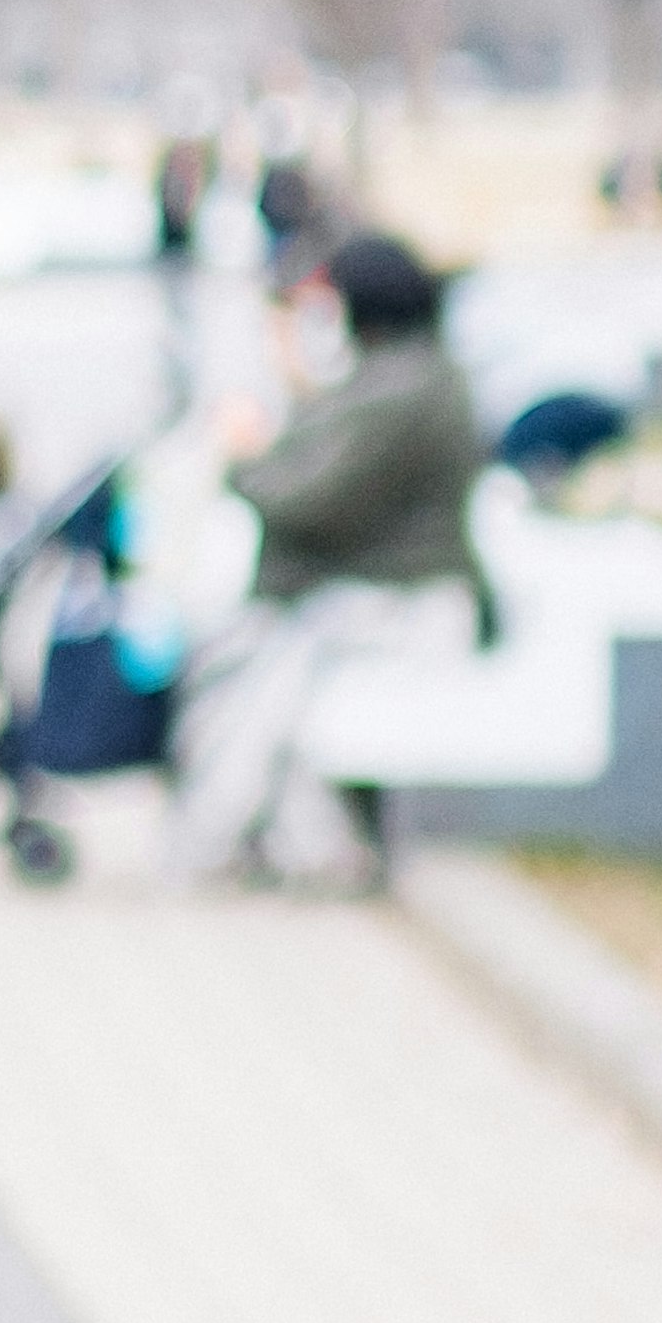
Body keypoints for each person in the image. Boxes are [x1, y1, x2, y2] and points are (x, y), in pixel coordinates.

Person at [167, 224, 485, 888]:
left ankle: (246, 844)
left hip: (397, 603)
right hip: (370, 598)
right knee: (252, 672)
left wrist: (242, 456)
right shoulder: (401, 376)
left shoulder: (401, 390)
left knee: (260, 681)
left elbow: (308, 498)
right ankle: (278, 845)